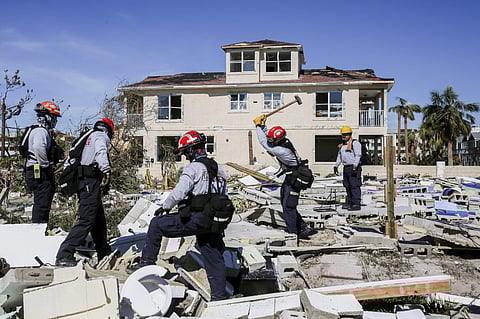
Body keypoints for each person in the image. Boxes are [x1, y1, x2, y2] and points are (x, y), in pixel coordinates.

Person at [129, 130, 230, 301]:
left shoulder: (193, 168)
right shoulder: (219, 169)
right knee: (213, 256)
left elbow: (179, 192)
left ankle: (145, 265)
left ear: (191, 150)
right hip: (214, 221)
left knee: (156, 224)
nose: (185, 157)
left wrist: (165, 207)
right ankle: (220, 297)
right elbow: (224, 193)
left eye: (185, 153)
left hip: (198, 219)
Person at [55, 118, 115, 267]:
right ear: (109, 130)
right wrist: (106, 170)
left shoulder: (89, 135)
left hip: (85, 181)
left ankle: (103, 251)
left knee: (98, 219)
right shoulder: (101, 136)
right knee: (87, 219)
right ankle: (64, 254)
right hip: (90, 181)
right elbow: (101, 152)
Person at [253, 114, 315, 239]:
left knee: (289, 206)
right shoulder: (283, 142)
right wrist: (264, 126)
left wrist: (258, 126)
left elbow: (264, 143)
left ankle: (293, 234)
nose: (271, 141)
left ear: (280, 139)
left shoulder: (282, 150)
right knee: (285, 204)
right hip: (289, 178)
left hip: (294, 179)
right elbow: (268, 138)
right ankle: (302, 226)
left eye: (273, 139)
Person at [25, 101, 62, 224]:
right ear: (48, 116)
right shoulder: (41, 132)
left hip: (35, 169)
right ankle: (39, 229)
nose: (55, 121)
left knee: (42, 200)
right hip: (38, 170)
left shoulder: (37, 130)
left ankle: (40, 226)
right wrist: (46, 166)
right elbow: (38, 148)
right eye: (54, 117)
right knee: (42, 201)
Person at [334, 126, 362, 211]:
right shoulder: (342, 146)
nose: (344, 136)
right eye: (343, 135)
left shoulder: (355, 144)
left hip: (354, 167)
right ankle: (349, 202)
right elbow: (339, 156)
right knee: (347, 186)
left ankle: (356, 203)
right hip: (346, 167)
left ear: (350, 135)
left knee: (354, 185)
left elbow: (358, 155)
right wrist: (336, 166)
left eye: (346, 135)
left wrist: (355, 166)